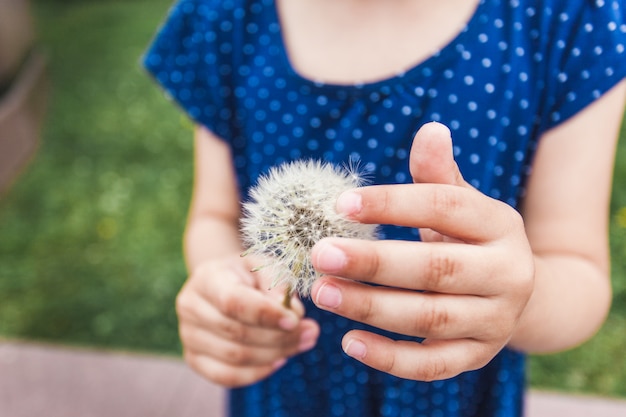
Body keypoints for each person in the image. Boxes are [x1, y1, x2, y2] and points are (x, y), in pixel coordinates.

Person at [143, 0, 626, 415]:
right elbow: (217, 218)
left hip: (454, 391)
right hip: (285, 379)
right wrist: (228, 293)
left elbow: (578, 269)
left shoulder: (567, 18)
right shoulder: (226, 17)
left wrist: (516, 299)